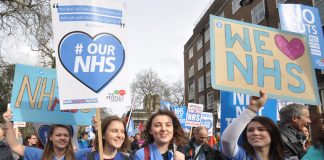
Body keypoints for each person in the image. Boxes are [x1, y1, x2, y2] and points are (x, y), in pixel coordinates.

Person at [3, 109, 91, 160]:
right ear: (51, 137)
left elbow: (100, 148)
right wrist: (9, 124)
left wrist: (97, 127)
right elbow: (14, 146)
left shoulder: (78, 155)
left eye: (65, 135)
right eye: (58, 135)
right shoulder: (39, 155)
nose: (62, 137)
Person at [222, 90, 285, 160]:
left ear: (272, 133)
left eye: (261, 129)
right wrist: (253, 108)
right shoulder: (242, 156)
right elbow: (227, 141)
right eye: (250, 130)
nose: (255, 133)